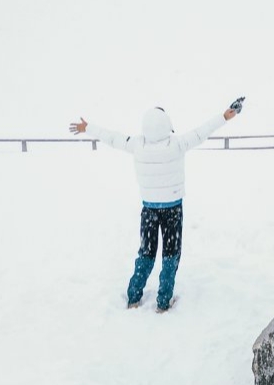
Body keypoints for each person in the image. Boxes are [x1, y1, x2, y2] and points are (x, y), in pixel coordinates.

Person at [70, 98, 244, 311]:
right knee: (170, 254)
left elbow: (112, 137)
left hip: (150, 209)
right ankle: (163, 301)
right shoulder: (178, 144)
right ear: (167, 124)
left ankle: (134, 297)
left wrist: (88, 127)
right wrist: (225, 116)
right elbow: (202, 131)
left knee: (146, 253)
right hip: (173, 209)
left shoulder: (136, 145)